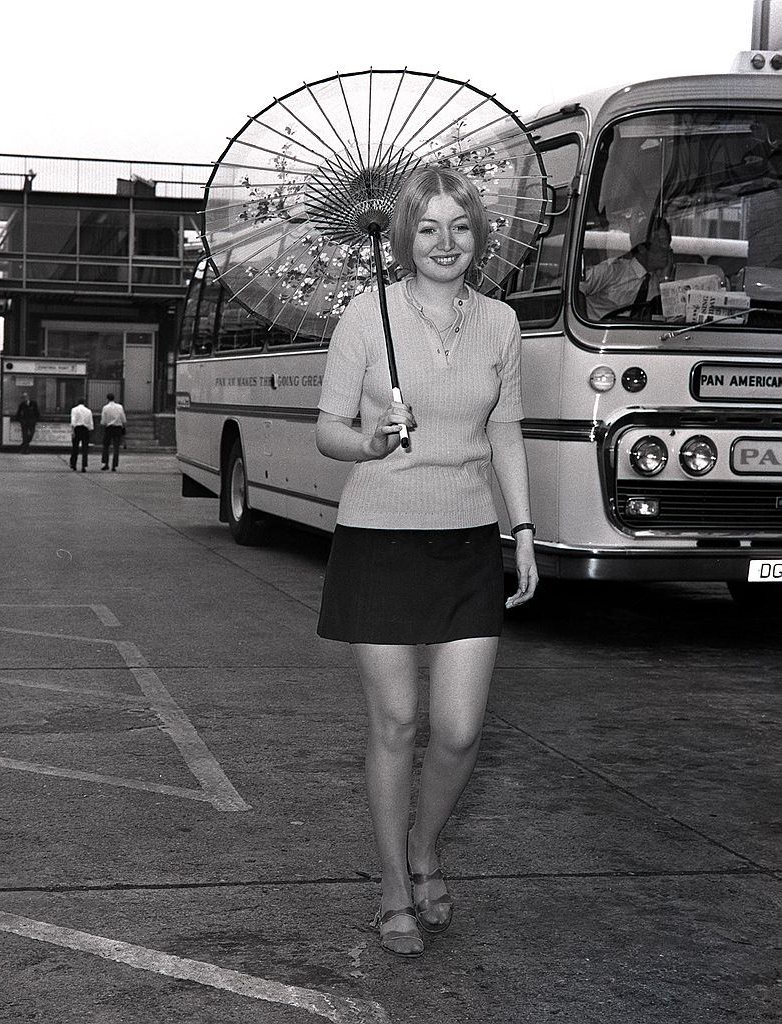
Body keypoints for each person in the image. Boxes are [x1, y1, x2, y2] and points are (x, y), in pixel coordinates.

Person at [315, 167, 538, 958]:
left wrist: (522, 531)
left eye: (460, 227)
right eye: (428, 228)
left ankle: (425, 845)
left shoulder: (502, 323)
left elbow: (506, 430)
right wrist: (371, 441)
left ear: (479, 236)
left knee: (458, 729)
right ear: (403, 236)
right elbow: (328, 429)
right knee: (396, 722)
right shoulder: (363, 317)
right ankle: (389, 883)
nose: (445, 243)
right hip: (378, 536)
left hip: (468, 540)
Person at [580, 216, 674, 321]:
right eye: (661, 242)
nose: (667, 248)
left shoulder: (656, 282)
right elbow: (578, 289)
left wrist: (665, 278)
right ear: (641, 248)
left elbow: (668, 317)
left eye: (667, 242)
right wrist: (585, 322)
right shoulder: (612, 271)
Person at [100, 393, 126, 471]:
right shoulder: (120, 407)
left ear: (107, 399)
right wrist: (123, 427)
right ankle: (114, 465)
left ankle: (106, 463)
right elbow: (123, 419)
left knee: (106, 446)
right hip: (118, 428)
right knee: (116, 447)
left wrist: (104, 425)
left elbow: (103, 421)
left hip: (109, 428)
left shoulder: (105, 408)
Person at [69, 397, 94, 472]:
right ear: (84, 403)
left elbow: (73, 421)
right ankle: (84, 465)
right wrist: (90, 430)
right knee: (85, 449)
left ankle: (73, 464)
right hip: (85, 429)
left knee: (75, 448)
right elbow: (90, 422)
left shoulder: (74, 410)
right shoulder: (88, 411)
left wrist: (72, 431)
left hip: (77, 429)